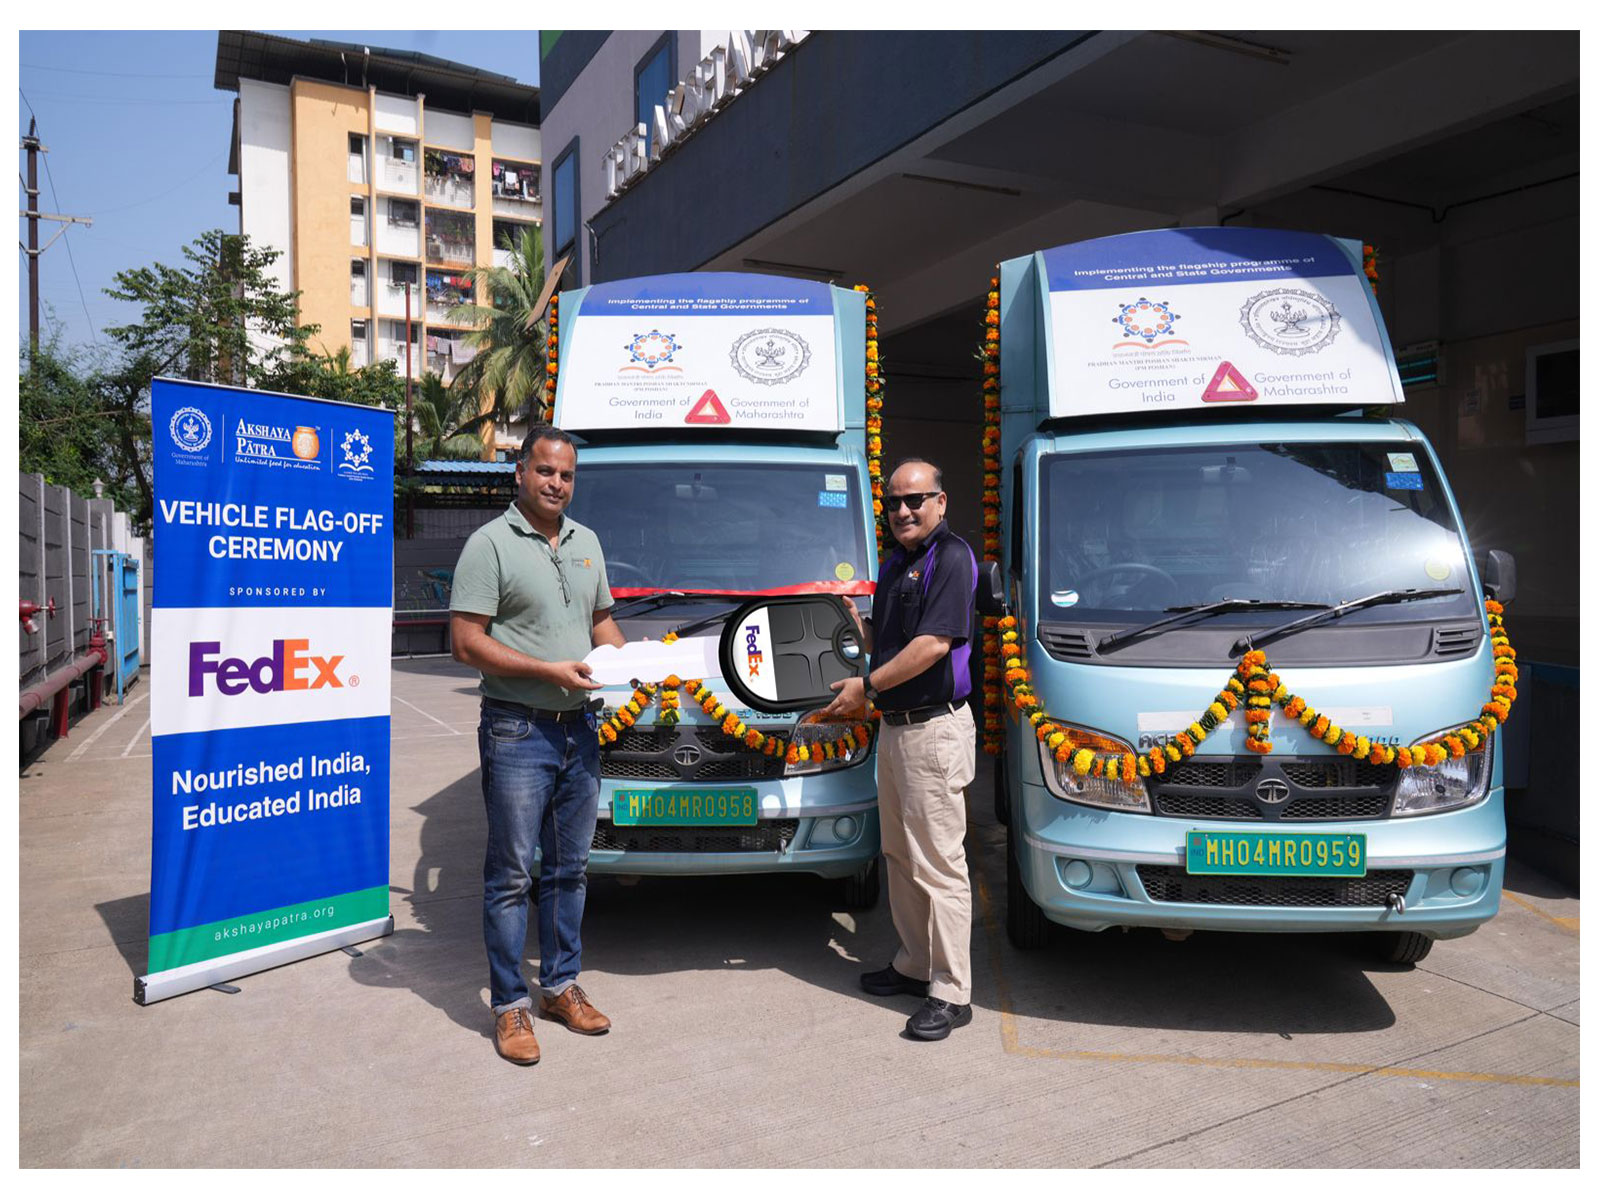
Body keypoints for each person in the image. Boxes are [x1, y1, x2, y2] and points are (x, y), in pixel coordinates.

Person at [450, 425, 625, 1066]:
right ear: (520, 471)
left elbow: (600, 622)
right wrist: (548, 668)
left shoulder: (587, 543)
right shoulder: (489, 544)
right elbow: (466, 642)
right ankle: (509, 1005)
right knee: (510, 875)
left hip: (580, 727)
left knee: (569, 869)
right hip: (517, 728)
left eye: (567, 475)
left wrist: (639, 665)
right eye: (546, 471)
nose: (557, 483)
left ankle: (559, 987)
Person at [820, 458, 979, 1040]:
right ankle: (916, 964)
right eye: (895, 503)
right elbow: (888, 644)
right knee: (901, 856)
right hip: (896, 729)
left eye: (917, 499)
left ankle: (953, 990)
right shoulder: (896, 564)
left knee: (939, 864)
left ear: (941, 502)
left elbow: (934, 645)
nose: (905, 511)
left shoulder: (952, 558)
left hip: (934, 730)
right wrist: (848, 621)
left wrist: (867, 686)